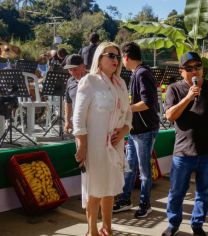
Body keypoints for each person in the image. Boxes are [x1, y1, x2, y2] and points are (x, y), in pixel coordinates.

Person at [161, 52, 208, 236]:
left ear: (202, 69)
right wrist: (189, 97)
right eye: (189, 68)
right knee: (176, 192)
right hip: (183, 153)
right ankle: (173, 224)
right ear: (181, 71)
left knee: (204, 192)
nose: (194, 72)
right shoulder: (174, 89)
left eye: (197, 67)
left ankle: (197, 225)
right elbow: (169, 116)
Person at [73, 42, 132, 236]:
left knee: (111, 186)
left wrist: (123, 131)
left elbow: (128, 114)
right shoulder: (89, 81)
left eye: (117, 56)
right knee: (94, 188)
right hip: (94, 144)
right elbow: (78, 117)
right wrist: (82, 145)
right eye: (111, 56)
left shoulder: (121, 83)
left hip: (115, 145)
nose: (116, 60)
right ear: (99, 57)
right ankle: (92, 231)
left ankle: (108, 227)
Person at [113, 42, 159, 218]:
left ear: (126, 57)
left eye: (119, 58)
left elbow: (147, 103)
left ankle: (145, 204)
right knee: (130, 167)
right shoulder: (137, 73)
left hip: (145, 130)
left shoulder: (143, 74)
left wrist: (125, 108)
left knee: (144, 170)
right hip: (135, 130)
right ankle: (125, 199)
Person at [63, 54, 87, 134]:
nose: (73, 73)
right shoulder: (70, 81)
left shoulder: (92, 79)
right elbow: (68, 102)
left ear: (83, 66)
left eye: (75, 69)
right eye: (70, 70)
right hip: (77, 122)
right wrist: (67, 121)